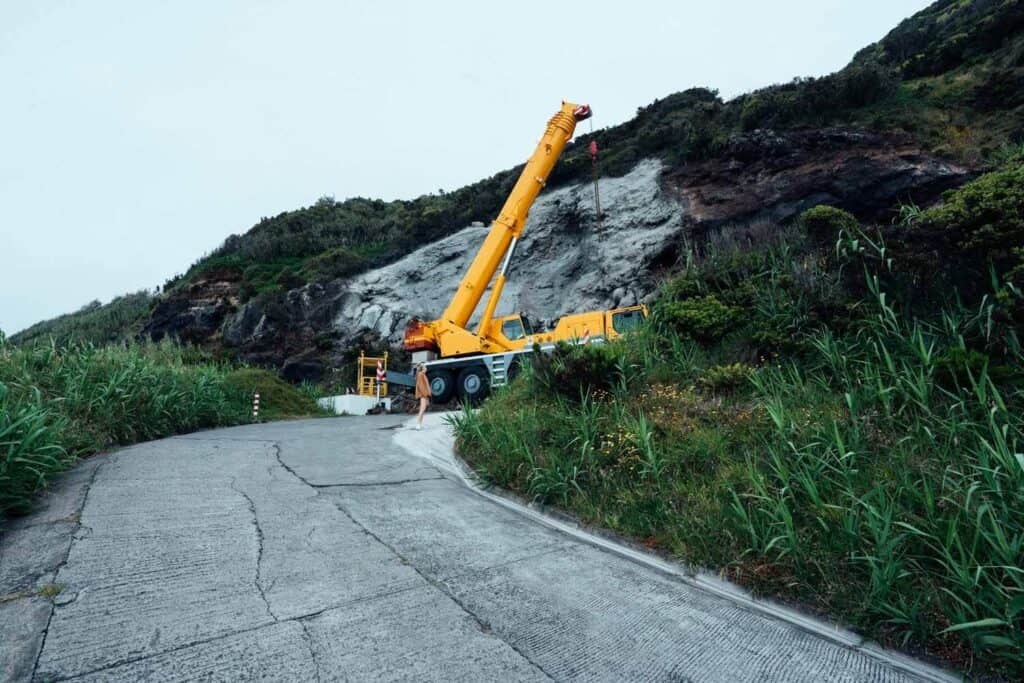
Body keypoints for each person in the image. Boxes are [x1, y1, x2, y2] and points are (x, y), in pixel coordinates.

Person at [414, 363, 431, 430]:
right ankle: (418, 424)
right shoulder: (421, 374)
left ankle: (419, 424)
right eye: (425, 367)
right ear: (423, 368)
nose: (426, 368)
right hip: (423, 394)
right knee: (422, 409)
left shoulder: (422, 374)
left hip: (424, 394)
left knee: (423, 409)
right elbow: (421, 386)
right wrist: (425, 395)